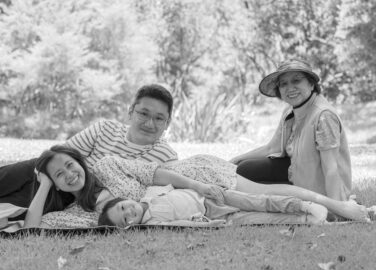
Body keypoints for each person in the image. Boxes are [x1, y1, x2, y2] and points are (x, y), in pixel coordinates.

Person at [24, 145, 369, 228]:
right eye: (59, 174)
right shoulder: (78, 214)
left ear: (80, 163)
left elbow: (158, 173)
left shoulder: (107, 166)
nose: (69, 174)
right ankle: (329, 210)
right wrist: (41, 185)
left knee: (258, 193)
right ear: (54, 182)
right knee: (254, 205)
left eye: (71, 165)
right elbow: (32, 228)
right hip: (192, 204)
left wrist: (197, 184)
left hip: (193, 176)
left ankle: (341, 208)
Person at [0, 84, 177, 218]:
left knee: (2, 207)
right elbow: (63, 155)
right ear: (131, 111)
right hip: (53, 171)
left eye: (159, 118)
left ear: (167, 123)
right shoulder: (105, 128)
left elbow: (154, 197)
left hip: (67, 198)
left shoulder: (166, 157)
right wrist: (50, 175)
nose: (149, 123)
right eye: (143, 113)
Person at [230, 58, 351, 202]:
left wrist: (337, 207)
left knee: (247, 186)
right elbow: (271, 148)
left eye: (296, 81)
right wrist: (234, 160)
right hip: (296, 172)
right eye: (284, 84)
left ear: (311, 84)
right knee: (243, 170)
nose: (290, 88)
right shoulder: (290, 111)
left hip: (318, 189)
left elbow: (331, 169)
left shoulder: (323, 116)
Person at [97, 186, 329, 228]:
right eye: (125, 220)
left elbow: (177, 182)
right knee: (256, 218)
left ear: (126, 199)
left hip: (217, 197)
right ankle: (303, 220)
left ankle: (304, 205)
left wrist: (207, 187)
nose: (129, 213)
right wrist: (206, 225)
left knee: (259, 201)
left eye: (123, 208)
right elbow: (181, 223)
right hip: (211, 216)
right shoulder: (152, 222)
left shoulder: (151, 193)